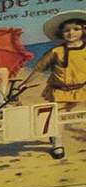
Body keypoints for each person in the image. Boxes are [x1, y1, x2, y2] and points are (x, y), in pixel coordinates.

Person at [24, 11, 86, 162]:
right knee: (57, 117)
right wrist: (26, 83)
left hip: (83, 88)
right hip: (60, 90)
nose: (71, 33)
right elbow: (39, 68)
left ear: (83, 30)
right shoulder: (56, 51)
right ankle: (57, 142)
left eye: (76, 29)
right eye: (67, 30)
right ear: (61, 33)